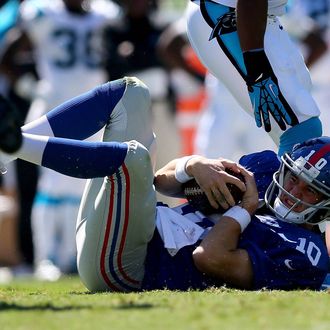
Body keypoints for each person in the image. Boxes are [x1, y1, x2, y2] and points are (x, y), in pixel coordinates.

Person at [0, 76, 329, 291]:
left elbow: (209, 257)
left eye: (310, 189)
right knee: (130, 92)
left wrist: (245, 211)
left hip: (130, 267)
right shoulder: (263, 170)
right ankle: (8, 151)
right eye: (295, 177)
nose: (294, 190)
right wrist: (192, 165)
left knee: (133, 158)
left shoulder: (308, 252)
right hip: (122, 226)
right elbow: (161, 182)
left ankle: (12, 143)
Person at [0, 0, 119, 279]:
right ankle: (47, 257)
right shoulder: (42, 12)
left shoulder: (104, 14)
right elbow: (7, 57)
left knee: (84, 183)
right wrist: (30, 86)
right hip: (54, 105)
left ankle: (73, 254)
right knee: (51, 183)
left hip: (93, 110)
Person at [185, 0, 323, 157]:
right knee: (301, 133)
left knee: (305, 130)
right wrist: (257, 67)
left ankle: (266, 180)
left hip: (260, 17)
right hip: (231, 13)